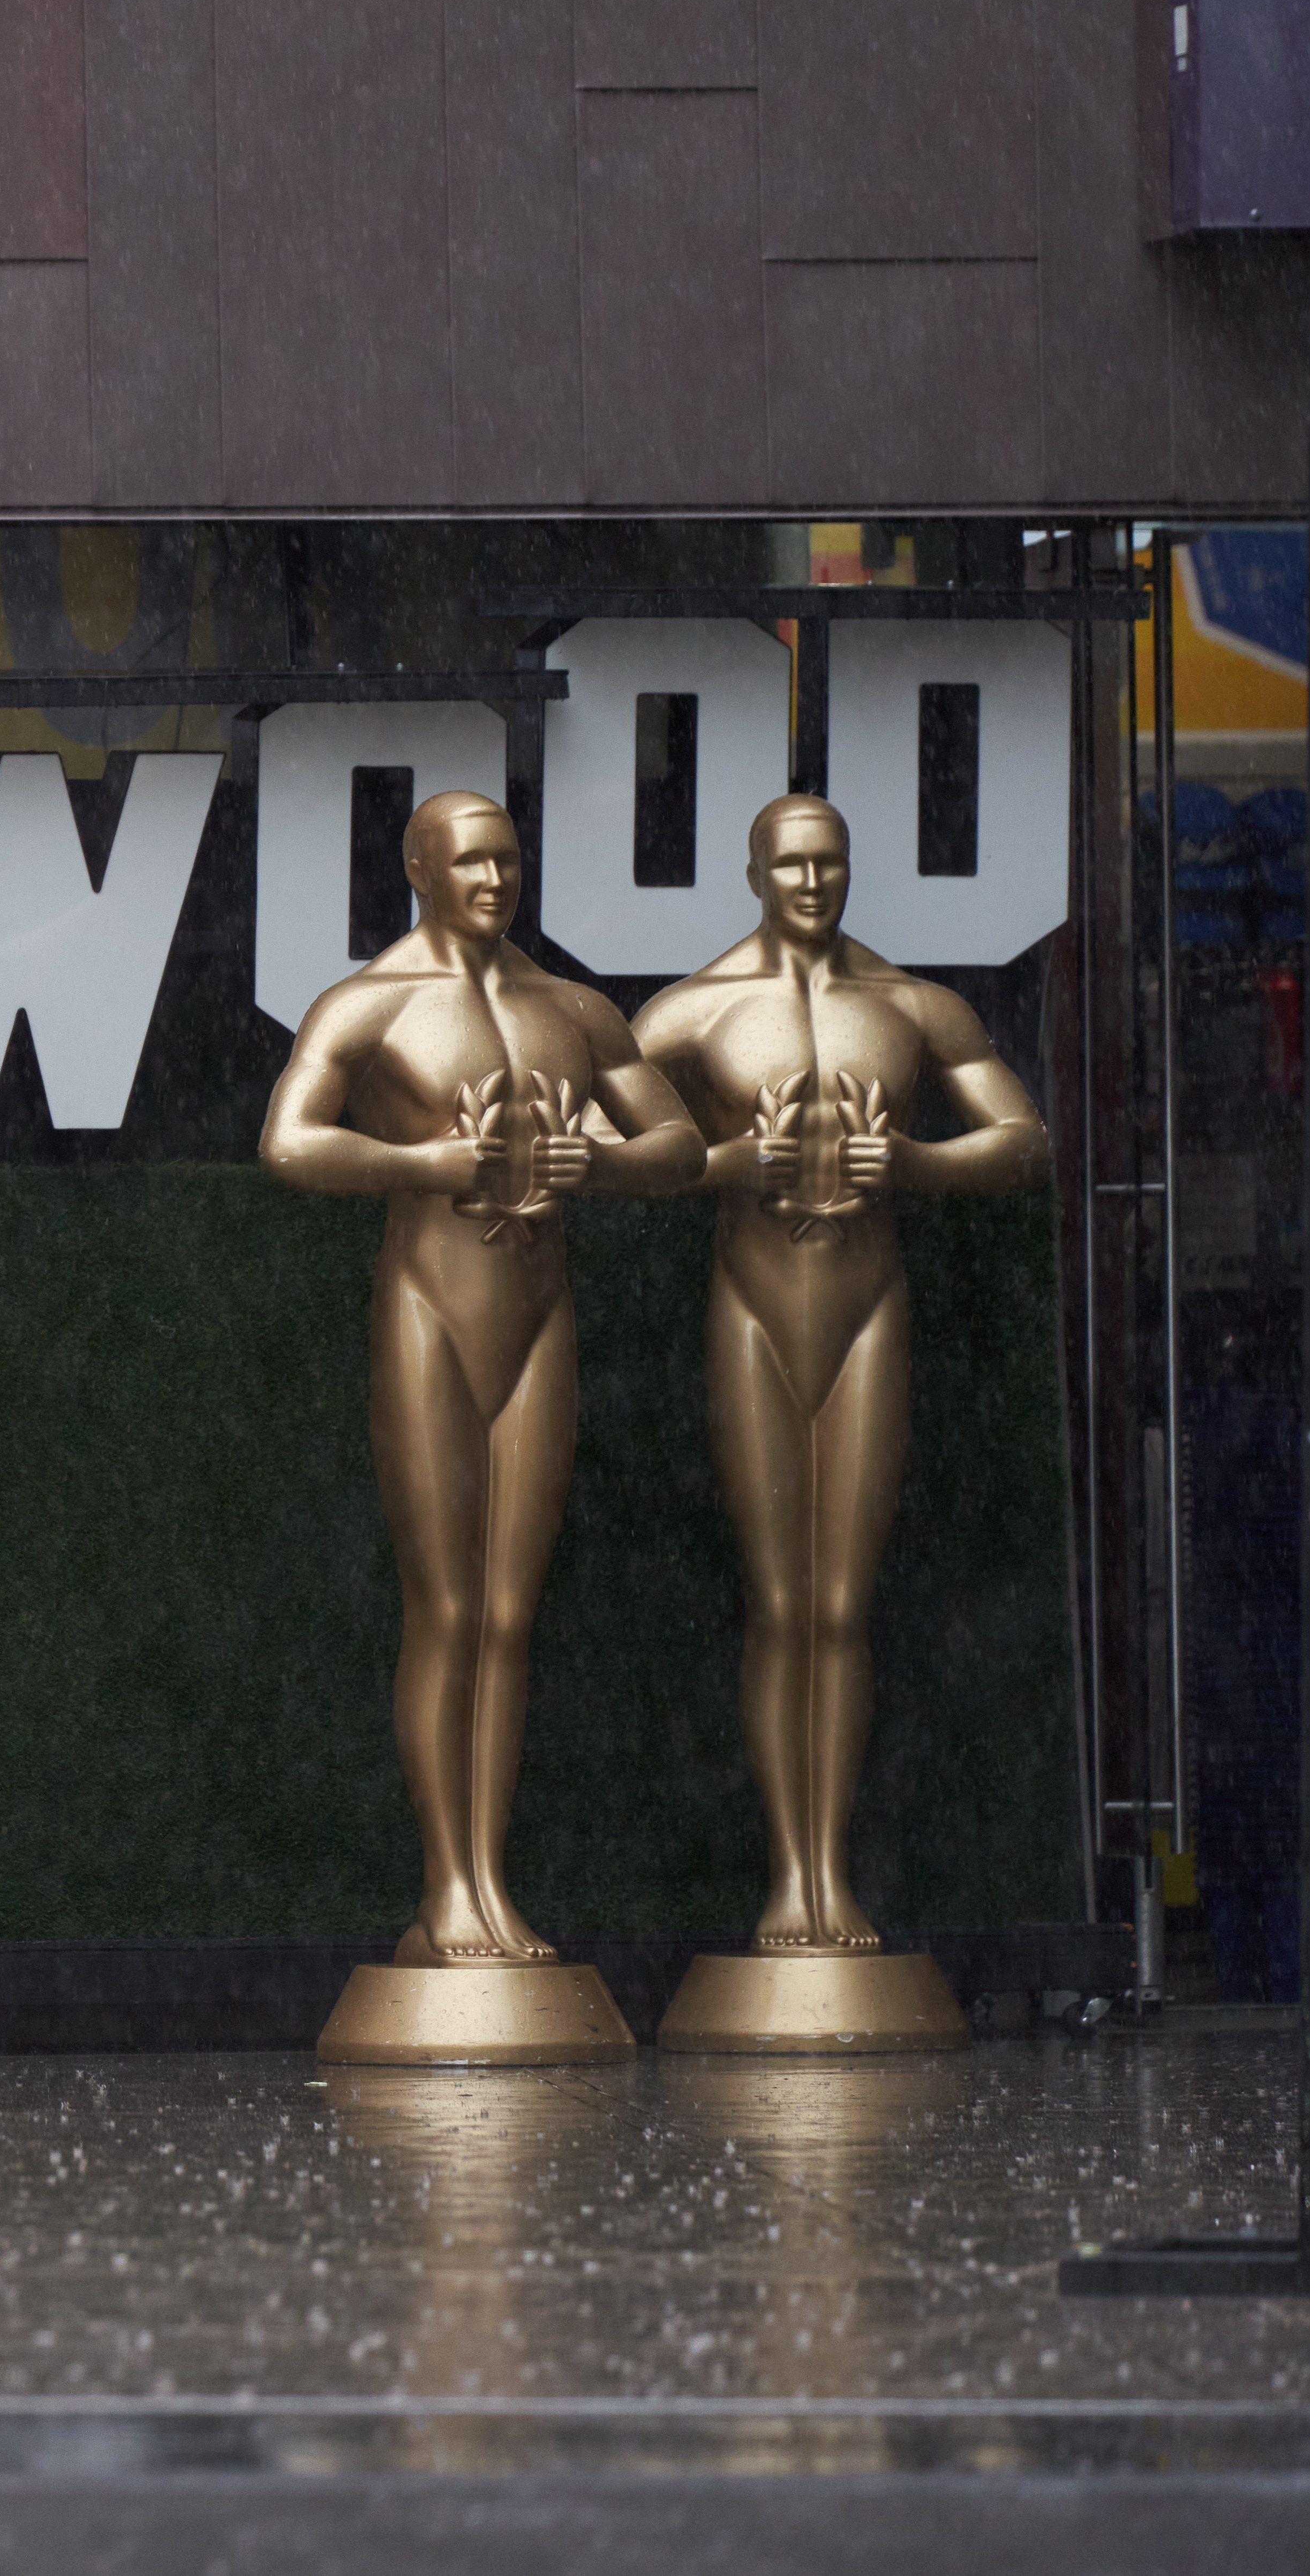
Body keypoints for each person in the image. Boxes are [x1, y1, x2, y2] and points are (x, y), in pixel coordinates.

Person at [258, 791, 699, 1970]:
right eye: (468, 861)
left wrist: (598, 1162)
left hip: (539, 1310)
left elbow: (680, 1149)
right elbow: (288, 1142)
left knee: (507, 1614)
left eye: (507, 858)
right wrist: (423, 1159)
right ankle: (444, 1886)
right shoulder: (368, 1004)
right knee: (445, 1607)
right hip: (429, 1309)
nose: (493, 879)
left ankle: (489, 1883)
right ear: (416, 868)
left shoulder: (570, 1008)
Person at [635, 795, 1048, 1952]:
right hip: (753, 1306)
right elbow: (600, 1154)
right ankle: (786, 1879)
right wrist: (724, 1157)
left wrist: (912, 1157)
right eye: (791, 863)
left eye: (831, 863)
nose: (812, 883)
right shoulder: (690, 1012)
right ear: (753, 870)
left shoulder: (909, 1006)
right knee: (778, 1603)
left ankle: (829, 1875)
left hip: (866, 1306)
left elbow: (1021, 1141)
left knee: (837, 1605)